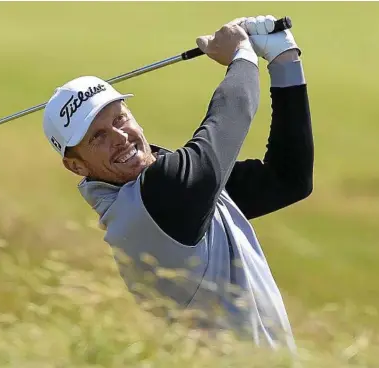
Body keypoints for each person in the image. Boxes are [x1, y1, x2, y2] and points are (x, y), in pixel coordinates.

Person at [42, 15, 313, 353]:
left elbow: (288, 179)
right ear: (75, 165)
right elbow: (228, 119)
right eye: (98, 137)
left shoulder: (170, 196)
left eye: (120, 118)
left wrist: (284, 59)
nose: (120, 137)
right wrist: (241, 55)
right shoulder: (156, 199)